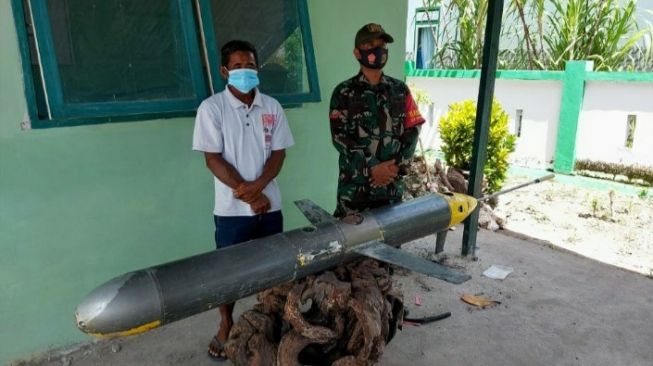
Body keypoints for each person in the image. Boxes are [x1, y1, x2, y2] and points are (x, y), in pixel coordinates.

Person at [192, 40, 294, 361]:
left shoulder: (272, 107)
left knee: (275, 270)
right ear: (224, 71)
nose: (244, 72)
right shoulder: (212, 109)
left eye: (249, 65)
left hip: (270, 206)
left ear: (258, 68)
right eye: (237, 67)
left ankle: (272, 322)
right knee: (228, 274)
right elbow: (213, 160)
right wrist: (248, 193)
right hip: (231, 211)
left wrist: (260, 190)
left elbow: (279, 153)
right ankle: (225, 324)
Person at [329, 23, 425, 218]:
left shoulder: (400, 90)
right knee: (353, 246)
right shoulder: (343, 93)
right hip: (355, 192)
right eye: (370, 45)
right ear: (357, 53)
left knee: (390, 245)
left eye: (381, 45)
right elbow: (340, 138)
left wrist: (395, 167)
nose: (378, 50)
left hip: (391, 190)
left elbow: (413, 130)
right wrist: (372, 167)